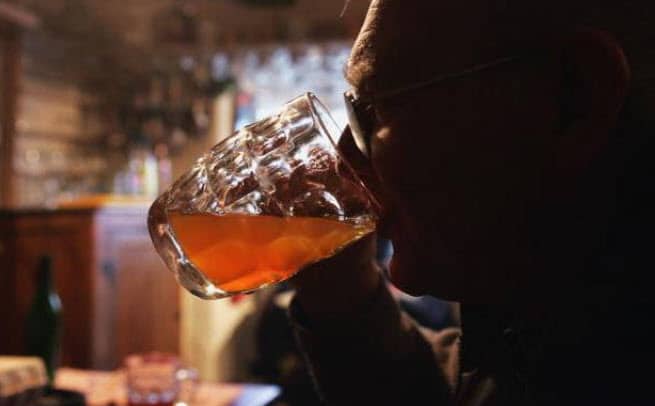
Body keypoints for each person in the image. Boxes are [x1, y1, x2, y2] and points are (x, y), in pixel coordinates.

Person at [288, 1, 655, 404]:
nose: (345, 165)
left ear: (574, 96)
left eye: (374, 107)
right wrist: (342, 292)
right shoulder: (547, 332)